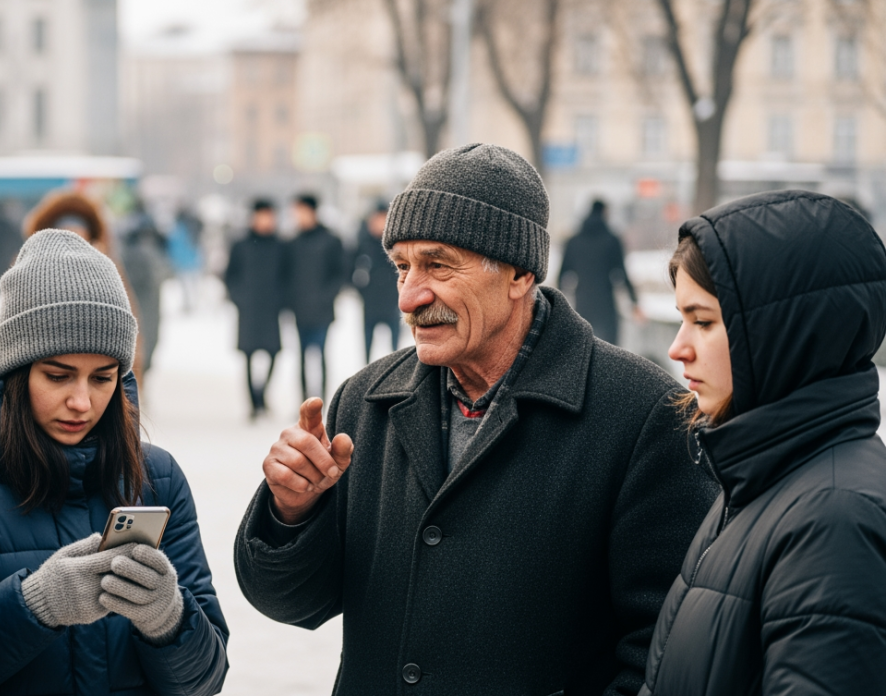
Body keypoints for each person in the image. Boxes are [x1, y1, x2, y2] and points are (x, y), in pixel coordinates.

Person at [234, 144, 717, 696]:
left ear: (519, 273)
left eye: (438, 265)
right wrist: (292, 513)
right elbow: (294, 602)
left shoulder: (643, 415)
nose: (409, 297)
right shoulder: (364, 404)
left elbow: (668, 650)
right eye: (401, 268)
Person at [0, 230, 229, 695]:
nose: (82, 402)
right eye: (58, 376)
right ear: (15, 369)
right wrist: (36, 606)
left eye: (102, 378)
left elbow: (206, 680)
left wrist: (169, 620)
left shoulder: (155, 478)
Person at [639, 191, 886, 695]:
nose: (678, 348)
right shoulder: (756, 476)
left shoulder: (834, 517)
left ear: (780, 335)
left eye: (703, 321)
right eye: (682, 319)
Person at [25, 190, 150, 381]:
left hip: (99, 371)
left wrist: (131, 378)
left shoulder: (107, 269)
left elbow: (127, 321)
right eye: (67, 234)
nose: (74, 242)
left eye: (79, 235)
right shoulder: (32, 268)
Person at [225, 198, 288, 419]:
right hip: (249, 309)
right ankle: (253, 402)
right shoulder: (241, 244)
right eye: (262, 216)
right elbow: (230, 275)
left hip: (271, 309)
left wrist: (281, 300)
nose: (265, 221)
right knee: (248, 355)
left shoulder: (280, 245)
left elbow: (287, 276)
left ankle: (263, 395)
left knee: (273, 352)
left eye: (269, 216)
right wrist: (239, 298)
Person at [285, 193, 345, 401]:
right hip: (300, 310)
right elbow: (286, 275)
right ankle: (304, 400)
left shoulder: (330, 240)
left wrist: (326, 296)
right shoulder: (292, 242)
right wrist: (290, 300)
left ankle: (323, 400)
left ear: (312, 211)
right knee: (301, 357)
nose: (298, 216)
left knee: (321, 356)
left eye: (301, 211)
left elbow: (340, 273)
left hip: (322, 310)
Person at [559, 199, 642, 344]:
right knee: (610, 350)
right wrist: (634, 301)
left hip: (582, 304)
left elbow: (563, 275)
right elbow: (622, 274)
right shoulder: (612, 240)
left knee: (583, 348)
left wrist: (559, 308)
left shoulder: (573, 241)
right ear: (604, 212)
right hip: (606, 305)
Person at [120, 200, 171, 373]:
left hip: (137, 292)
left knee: (142, 333)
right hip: (144, 293)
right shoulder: (154, 240)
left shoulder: (129, 236)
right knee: (148, 333)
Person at [351, 200, 400, 361]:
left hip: (392, 300)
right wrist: (361, 289)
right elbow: (350, 268)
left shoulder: (396, 244)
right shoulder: (363, 242)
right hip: (370, 301)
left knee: (395, 349)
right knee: (367, 345)